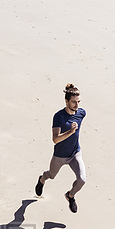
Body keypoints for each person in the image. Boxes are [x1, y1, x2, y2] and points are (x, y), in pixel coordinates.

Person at [35, 83, 86, 213]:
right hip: (60, 156)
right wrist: (70, 131)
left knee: (81, 180)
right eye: (74, 102)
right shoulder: (58, 116)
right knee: (51, 175)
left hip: (75, 153)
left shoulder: (81, 113)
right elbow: (55, 139)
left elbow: (80, 114)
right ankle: (41, 179)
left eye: (78, 102)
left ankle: (70, 196)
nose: (77, 105)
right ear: (66, 101)